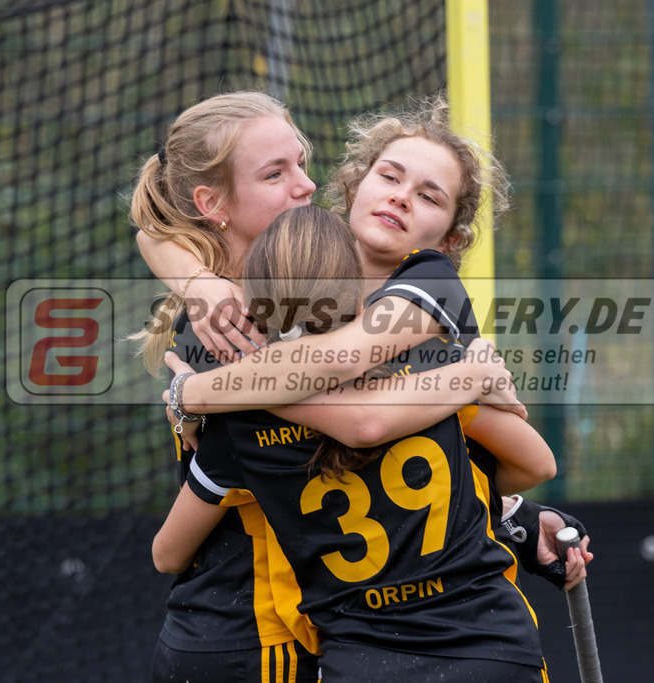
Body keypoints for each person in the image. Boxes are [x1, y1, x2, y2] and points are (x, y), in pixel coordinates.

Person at [158, 95, 591, 587]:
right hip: (309, 611)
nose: (402, 196)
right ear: (353, 186)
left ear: (450, 239)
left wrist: (197, 393)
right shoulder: (271, 293)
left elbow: (518, 460)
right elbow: (151, 233)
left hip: (441, 603)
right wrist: (194, 281)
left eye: (430, 197)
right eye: (389, 176)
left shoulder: (427, 285)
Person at [158, 205, 557, 681]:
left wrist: (193, 400)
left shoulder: (240, 422)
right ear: (368, 302)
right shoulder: (437, 370)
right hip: (488, 643)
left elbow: (167, 554)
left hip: (361, 659)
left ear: (254, 307)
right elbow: (538, 464)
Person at [128, 91, 320, 683]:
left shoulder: (268, 292)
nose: (306, 185)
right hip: (257, 637)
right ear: (214, 205)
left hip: (249, 629)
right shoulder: (233, 331)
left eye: (302, 163)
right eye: (275, 173)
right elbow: (366, 436)